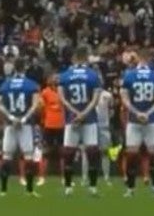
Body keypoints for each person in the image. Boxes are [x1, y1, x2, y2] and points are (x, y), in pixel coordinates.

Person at [120, 47, 154, 197]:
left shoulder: (129, 75)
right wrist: (149, 112)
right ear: (150, 58)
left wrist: (136, 112)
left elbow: (124, 98)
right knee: (153, 155)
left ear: (139, 57)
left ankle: (130, 189)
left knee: (132, 155)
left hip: (134, 120)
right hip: (151, 120)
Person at [58, 47, 103, 197]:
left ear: (75, 58)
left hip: (72, 119)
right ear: (85, 58)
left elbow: (62, 98)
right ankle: (92, 187)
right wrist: (84, 113)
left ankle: (68, 187)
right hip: (89, 119)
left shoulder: (65, 76)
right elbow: (95, 99)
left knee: (69, 153)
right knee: (92, 153)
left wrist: (74, 112)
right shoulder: (93, 75)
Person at [0, 59, 43, 197]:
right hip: (26, 125)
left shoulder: (6, 84)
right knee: (28, 156)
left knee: (7, 156)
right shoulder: (31, 85)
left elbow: (0, 104)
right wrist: (23, 119)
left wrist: (12, 118)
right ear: (25, 68)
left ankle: (3, 190)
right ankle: (29, 190)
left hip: (10, 125)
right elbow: (35, 105)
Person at [83, 83, 115, 186]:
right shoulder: (86, 93)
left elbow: (112, 110)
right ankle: (84, 178)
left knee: (105, 152)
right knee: (87, 152)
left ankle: (106, 177)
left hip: (103, 126)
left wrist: (107, 121)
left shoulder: (108, 95)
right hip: (89, 125)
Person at [38, 74, 65, 186]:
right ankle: (42, 178)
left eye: (57, 78)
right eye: (53, 78)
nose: (55, 80)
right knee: (46, 152)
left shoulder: (63, 92)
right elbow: (41, 107)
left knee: (63, 153)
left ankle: (65, 178)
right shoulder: (45, 92)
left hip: (61, 125)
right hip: (48, 125)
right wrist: (42, 120)